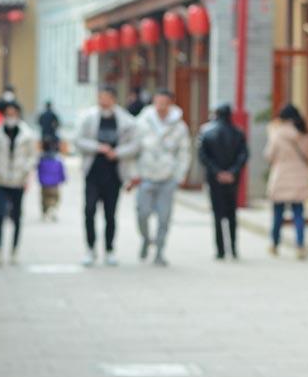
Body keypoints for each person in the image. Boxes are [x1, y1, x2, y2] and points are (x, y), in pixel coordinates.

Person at [76, 86, 138, 267]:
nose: (102, 101)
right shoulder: (88, 117)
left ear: (113, 99)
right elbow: (78, 140)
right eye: (100, 97)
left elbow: (135, 145)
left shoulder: (126, 120)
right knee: (89, 211)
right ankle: (90, 249)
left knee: (110, 214)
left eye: (106, 98)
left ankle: (110, 249)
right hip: (93, 173)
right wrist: (98, 147)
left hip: (114, 174)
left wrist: (117, 153)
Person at [132, 89, 191, 266]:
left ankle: (159, 250)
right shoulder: (142, 122)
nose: (160, 106)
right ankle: (145, 239)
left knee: (164, 217)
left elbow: (184, 152)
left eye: (164, 103)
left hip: (167, 177)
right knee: (142, 213)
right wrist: (133, 174)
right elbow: (133, 149)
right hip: (146, 175)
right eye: (157, 102)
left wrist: (180, 174)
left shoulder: (179, 126)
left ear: (171, 103)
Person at [0, 101, 38, 266]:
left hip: (18, 181)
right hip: (0, 181)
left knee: (16, 216)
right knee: (0, 214)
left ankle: (14, 249)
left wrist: (25, 170)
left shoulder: (27, 134)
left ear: (18, 115)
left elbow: (32, 156)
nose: (11, 117)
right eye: (8, 114)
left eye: (13, 114)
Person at [197, 104, 248, 260]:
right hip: (232, 179)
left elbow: (203, 156)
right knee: (232, 215)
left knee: (218, 214)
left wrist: (217, 172)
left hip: (215, 179)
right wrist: (232, 172)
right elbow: (243, 155)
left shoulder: (207, 132)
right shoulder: (238, 132)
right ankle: (233, 249)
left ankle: (220, 250)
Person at [264, 104, 308, 259]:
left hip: (281, 176)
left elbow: (269, 155)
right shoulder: (303, 132)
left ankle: (274, 244)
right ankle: (300, 246)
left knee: (278, 214)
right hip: (299, 176)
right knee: (298, 213)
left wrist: (271, 133)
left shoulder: (277, 133)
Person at [37, 136, 66, 222]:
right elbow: (61, 170)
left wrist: (40, 179)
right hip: (54, 183)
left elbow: (39, 171)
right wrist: (63, 179)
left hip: (44, 183)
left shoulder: (42, 158)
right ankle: (52, 209)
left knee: (44, 198)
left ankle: (46, 211)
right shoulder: (57, 159)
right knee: (55, 197)